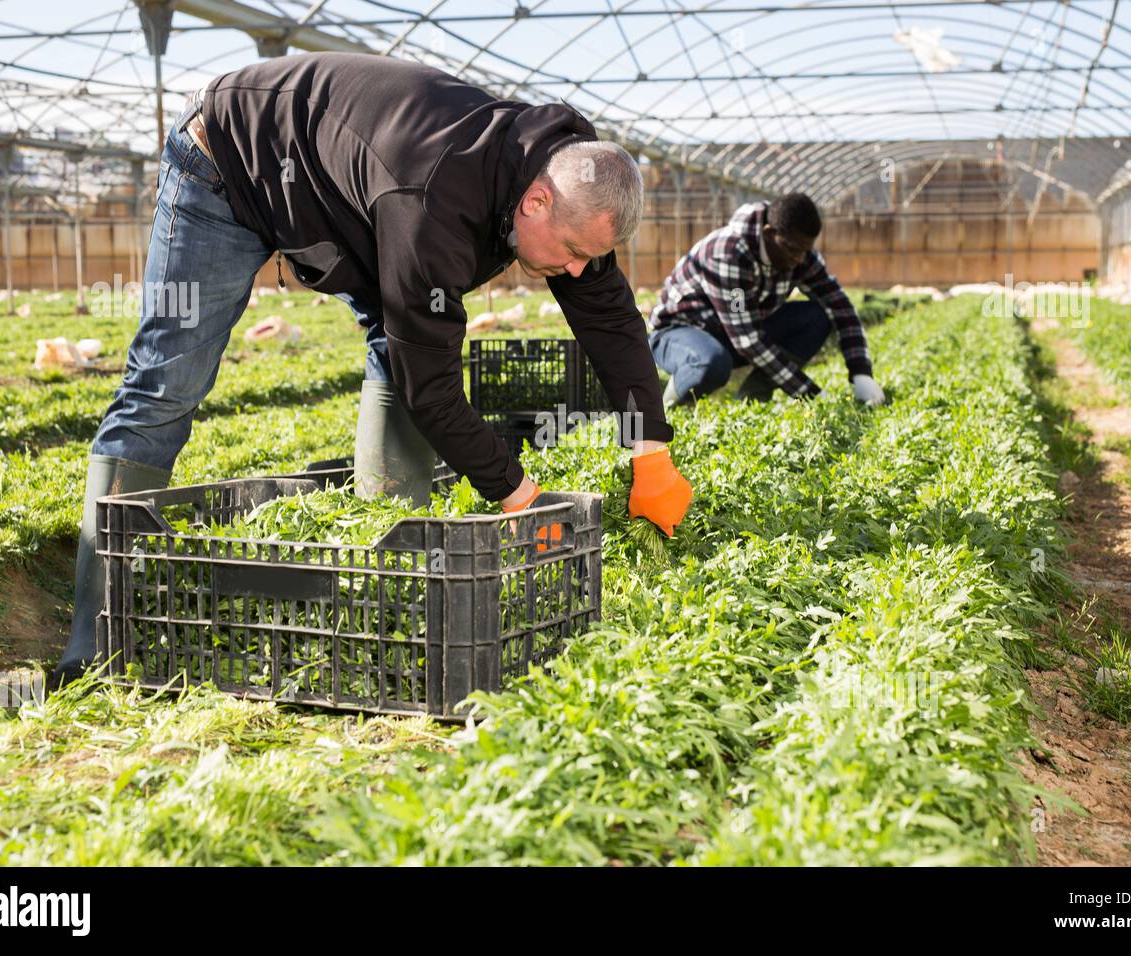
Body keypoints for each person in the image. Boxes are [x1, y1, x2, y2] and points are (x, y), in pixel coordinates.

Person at [50, 52, 692, 688]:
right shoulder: (432, 200)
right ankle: (95, 642)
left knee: (402, 342)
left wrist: (651, 451)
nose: (578, 270)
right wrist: (519, 497)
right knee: (168, 383)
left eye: (591, 256)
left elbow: (609, 317)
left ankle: (387, 562)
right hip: (231, 160)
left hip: (340, 197)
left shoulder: (572, 180)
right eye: (574, 253)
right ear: (537, 202)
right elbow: (432, 386)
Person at [647, 193, 885, 407]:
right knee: (711, 362)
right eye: (794, 249)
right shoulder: (730, 253)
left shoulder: (798, 254)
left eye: (806, 250)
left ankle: (752, 397)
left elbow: (840, 307)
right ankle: (668, 406)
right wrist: (810, 394)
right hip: (679, 332)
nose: (800, 259)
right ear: (771, 233)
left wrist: (861, 371)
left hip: (733, 333)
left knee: (818, 317)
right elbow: (747, 340)